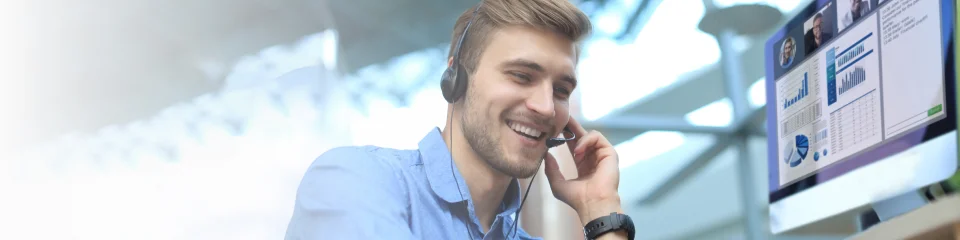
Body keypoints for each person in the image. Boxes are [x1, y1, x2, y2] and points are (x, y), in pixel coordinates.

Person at [283, 0, 634, 240]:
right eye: (522, 76)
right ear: (456, 78)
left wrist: (602, 212)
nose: (546, 107)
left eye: (561, 89)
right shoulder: (357, 181)